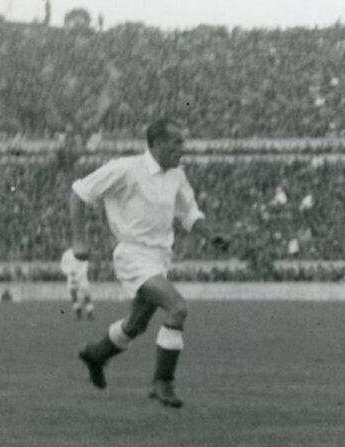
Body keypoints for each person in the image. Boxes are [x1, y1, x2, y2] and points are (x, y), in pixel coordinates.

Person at [73, 118, 230, 408]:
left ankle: (96, 354)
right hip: (133, 256)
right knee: (178, 308)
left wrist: (212, 236)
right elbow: (80, 193)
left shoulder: (176, 176)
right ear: (157, 144)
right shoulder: (126, 169)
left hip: (159, 258)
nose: (182, 149)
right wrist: (79, 240)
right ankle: (163, 382)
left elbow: (189, 214)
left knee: (136, 324)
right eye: (177, 143)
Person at [60, 247, 94, 320]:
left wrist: (77, 277)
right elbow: (63, 265)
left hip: (82, 277)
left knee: (87, 296)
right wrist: (69, 272)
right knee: (74, 296)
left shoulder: (83, 252)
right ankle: (78, 313)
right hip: (71, 277)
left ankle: (89, 313)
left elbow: (85, 266)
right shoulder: (66, 254)